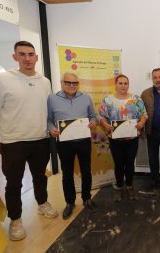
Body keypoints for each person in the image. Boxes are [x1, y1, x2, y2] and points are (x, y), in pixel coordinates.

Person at [0, 41, 58, 241]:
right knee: (13, 183)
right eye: (22, 54)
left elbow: (48, 111)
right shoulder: (1, 79)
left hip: (41, 139)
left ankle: (42, 204)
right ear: (15, 57)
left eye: (31, 54)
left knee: (40, 176)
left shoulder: (45, 81)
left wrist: (52, 129)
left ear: (36, 58)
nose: (27, 58)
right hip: (13, 142)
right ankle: (15, 220)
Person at [47, 72, 97, 220]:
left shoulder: (86, 98)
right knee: (67, 174)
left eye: (74, 83)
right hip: (64, 143)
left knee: (86, 171)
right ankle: (70, 203)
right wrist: (51, 129)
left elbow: (93, 116)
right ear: (62, 83)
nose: (71, 86)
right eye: (68, 82)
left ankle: (87, 198)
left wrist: (93, 122)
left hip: (83, 141)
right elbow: (49, 120)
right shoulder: (52, 99)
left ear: (78, 84)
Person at [99, 74, 147, 202]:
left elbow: (144, 114)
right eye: (120, 83)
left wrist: (142, 123)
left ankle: (130, 186)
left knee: (130, 164)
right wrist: (105, 125)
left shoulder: (136, 99)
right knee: (119, 164)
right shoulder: (108, 100)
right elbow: (101, 117)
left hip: (132, 139)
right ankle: (119, 187)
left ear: (128, 85)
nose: (123, 86)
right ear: (116, 84)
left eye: (125, 83)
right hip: (115, 139)